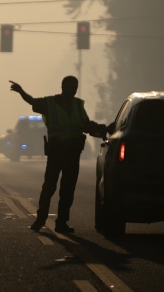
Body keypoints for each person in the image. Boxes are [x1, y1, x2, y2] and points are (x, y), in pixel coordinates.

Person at [9, 76, 106, 233]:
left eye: (74, 87)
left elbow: (86, 125)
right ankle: (40, 220)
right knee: (49, 188)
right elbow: (33, 101)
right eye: (69, 87)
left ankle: (61, 223)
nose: (72, 90)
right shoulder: (50, 103)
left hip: (73, 154)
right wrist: (21, 91)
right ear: (62, 87)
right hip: (56, 153)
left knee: (67, 190)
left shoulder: (78, 105)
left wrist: (103, 129)